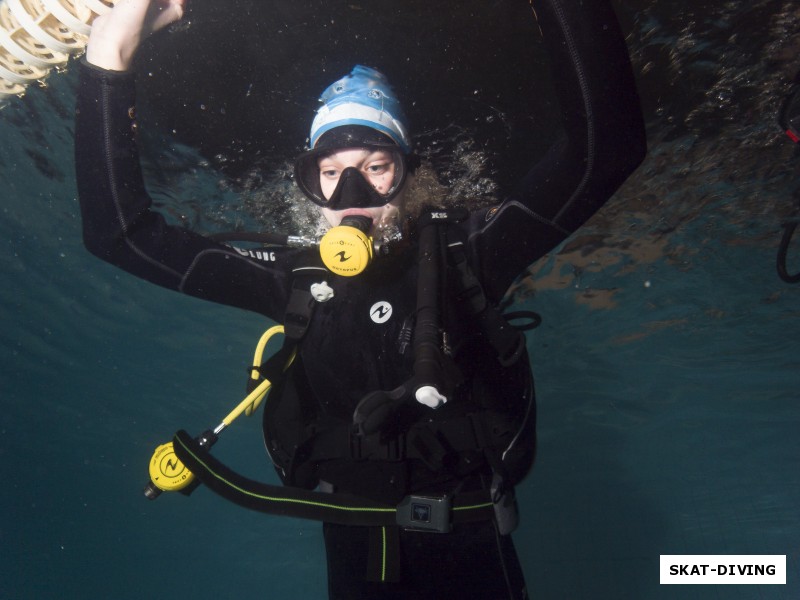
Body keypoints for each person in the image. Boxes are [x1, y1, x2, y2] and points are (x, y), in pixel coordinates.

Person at [74, 0, 646, 598]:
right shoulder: (292, 279)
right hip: (355, 546)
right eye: (330, 172)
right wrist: (109, 56)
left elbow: (607, 149)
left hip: (473, 544)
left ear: (408, 173)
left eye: (376, 166)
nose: (353, 194)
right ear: (309, 182)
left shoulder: (466, 255)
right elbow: (119, 234)